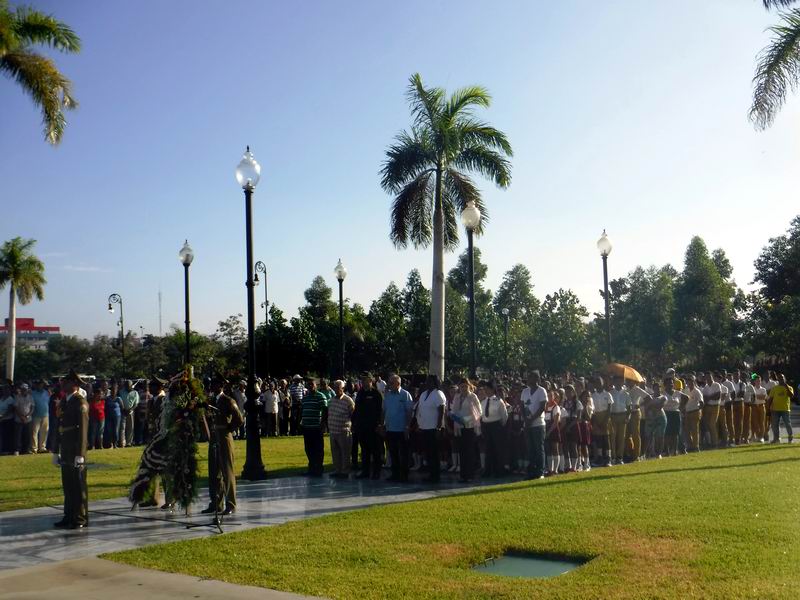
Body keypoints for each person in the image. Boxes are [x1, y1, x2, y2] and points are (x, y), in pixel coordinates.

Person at [52, 370, 89, 529]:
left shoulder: (80, 403)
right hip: (65, 448)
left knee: (78, 485)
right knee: (67, 484)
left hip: (75, 449)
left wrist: (80, 454)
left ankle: (80, 518)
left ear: (74, 384)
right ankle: (68, 516)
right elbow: (59, 427)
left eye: (65, 382)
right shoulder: (65, 402)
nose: (62, 385)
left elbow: (83, 431)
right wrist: (55, 450)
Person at [201, 376, 243, 516]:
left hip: (224, 437)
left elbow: (239, 419)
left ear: (221, 386)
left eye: (215, 384)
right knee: (214, 472)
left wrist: (228, 429)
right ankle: (216, 503)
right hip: (214, 437)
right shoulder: (211, 400)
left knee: (227, 471)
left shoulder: (228, 400)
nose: (212, 386)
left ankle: (230, 504)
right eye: (211, 384)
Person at [382, 374, 413, 482]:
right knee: (393, 453)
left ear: (398, 383)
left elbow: (409, 412)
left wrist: (407, 426)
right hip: (390, 429)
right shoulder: (388, 395)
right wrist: (382, 425)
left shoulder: (405, 395)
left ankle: (404, 475)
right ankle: (394, 474)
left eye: (391, 383)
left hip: (401, 429)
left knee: (403, 453)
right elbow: (384, 411)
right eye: (389, 382)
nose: (389, 385)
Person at [449, 377, 481, 482]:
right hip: (459, 426)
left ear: (469, 386)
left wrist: (466, 420)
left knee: (469, 451)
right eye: (461, 386)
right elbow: (453, 410)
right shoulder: (457, 397)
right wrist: (454, 417)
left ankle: (470, 475)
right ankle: (463, 475)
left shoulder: (473, 397)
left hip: (470, 426)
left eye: (465, 386)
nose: (463, 388)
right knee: (462, 451)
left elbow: (478, 412)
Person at [353, 373, 384, 480]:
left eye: (365, 379)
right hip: (362, 427)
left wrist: (380, 425)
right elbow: (357, 410)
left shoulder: (376, 393)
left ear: (371, 380)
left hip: (373, 427)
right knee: (364, 451)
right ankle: (365, 471)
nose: (363, 381)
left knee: (376, 451)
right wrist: (355, 424)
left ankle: (376, 472)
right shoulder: (360, 393)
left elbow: (381, 411)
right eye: (362, 379)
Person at [417, 374, 446, 483]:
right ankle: (430, 474)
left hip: (434, 428)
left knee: (434, 453)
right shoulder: (423, 394)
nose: (427, 383)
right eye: (427, 381)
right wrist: (420, 425)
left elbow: (442, 411)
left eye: (430, 381)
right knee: (428, 452)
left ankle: (436, 475)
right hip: (424, 427)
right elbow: (420, 410)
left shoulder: (438, 394)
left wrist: (439, 427)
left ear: (434, 383)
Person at [522, 371, 548, 479]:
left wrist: (532, 419)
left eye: (531, 377)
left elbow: (542, 407)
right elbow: (522, 406)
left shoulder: (542, 391)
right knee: (530, 448)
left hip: (538, 424)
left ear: (536, 379)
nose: (528, 379)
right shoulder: (525, 391)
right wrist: (525, 419)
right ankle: (531, 471)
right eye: (528, 377)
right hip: (527, 424)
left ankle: (540, 471)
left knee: (538, 448)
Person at [328, 379, 355, 478]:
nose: (335, 389)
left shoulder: (348, 400)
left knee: (345, 452)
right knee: (335, 452)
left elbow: (353, 415)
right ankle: (337, 470)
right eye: (334, 387)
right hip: (333, 430)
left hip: (343, 431)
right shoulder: (331, 400)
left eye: (337, 388)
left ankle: (345, 471)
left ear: (343, 388)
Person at [481, 381, 509, 478]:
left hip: (496, 426)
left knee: (498, 449)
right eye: (485, 389)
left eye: (487, 389)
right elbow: (482, 415)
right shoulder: (483, 401)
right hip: (486, 426)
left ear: (492, 389)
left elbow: (504, 416)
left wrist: (500, 426)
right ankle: (487, 470)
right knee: (488, 449)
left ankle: (499, 470)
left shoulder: (498, 401)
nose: (486, 391)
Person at [300, 378, 326, 477]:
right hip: (307, 427)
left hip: (316, 427)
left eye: (312, 384)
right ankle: (311, 468)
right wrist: (301, 423)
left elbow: (325, 410)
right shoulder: (305, 397)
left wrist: (323, 423)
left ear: (316, 385)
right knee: (308, 449)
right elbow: (302, 410)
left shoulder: (320, 396)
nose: (310, 386)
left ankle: (318, 469)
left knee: (318, 449)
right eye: (308, 384)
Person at [591, 377, 614, 467]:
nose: (598, 384)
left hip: (606, 418)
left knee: (606, 439)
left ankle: (608, 458)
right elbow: (592, 410)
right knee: (598, 439)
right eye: (596, 382)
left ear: (603, 383)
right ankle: (600, 458)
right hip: (596, 418)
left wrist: (605, 421)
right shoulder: (593, 396)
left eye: (599, 382)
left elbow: (609, 409)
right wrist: (596, 421)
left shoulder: (608, 394)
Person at [662, 377, 686, 456]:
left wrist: (681, 408)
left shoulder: (677, 393)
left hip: (676, 413)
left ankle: (675, 450)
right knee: (667, 433)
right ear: (665, 385)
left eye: (672, 383)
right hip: (666, 414)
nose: (671, 384)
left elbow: (686, 398)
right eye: (669, 383)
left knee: (675, 433)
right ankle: (667, 451)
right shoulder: (663, 393)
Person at [767, 373, 794, 443]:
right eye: (779, 378)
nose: (781, 379)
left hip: (785, 409)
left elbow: (791, 395)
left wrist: (786, 387)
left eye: (782, 378)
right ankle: (776, 439)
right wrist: (768, 409)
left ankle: (790, 436)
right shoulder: (774, 388)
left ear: (784, 378)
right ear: (777, 379)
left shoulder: (789, 387)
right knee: (775, 425)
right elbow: (770, 399)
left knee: (787, 423)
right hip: (775, 409)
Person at [609, 376, 630, 465]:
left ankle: (619, 457)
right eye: (617, 380)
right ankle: (613, 457)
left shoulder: (626, 394)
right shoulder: (610, 392)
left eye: (620, 381)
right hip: (613, 416)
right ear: (614, 382)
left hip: (622, 416)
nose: (618, 382)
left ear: (622, 382)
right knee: (612, 437)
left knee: (621, 438)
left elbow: (629, 407)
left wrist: (627, 417)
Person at [561, 384, 582, 472]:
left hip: (573, 425)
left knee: (573, 446)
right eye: (566, 391)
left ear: (573, 392)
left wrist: (569, 426)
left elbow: (578, 418)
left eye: (570, 391)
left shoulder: (577, 402)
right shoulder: (564, 402)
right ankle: (567, 465)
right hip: (565, 423)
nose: (568, 393)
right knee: (565, 446)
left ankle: (574, 466)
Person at [643, 382, 666, 458]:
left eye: (659, 388)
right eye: (655, 388)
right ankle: (646, 454)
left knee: (659, 436)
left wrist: (650, 405)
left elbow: (659, 406)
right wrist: (650, 407)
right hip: (650, 418)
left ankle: (658, 453)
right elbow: (645, 407)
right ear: (653, 389)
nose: (657, 390)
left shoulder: (663, 397)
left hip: (660, 418)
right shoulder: (649, 397)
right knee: (647, 436)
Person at [701, 373, 722, 449]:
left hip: (715, 406)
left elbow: (718, 396)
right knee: (708, 425)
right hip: (708, 407)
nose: (708, 379)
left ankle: (715, 443)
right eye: (707, 377)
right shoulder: (705, 387)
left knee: (712, 424)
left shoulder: (717, 385)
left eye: (709, 377)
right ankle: (711, 442)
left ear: (712, 377)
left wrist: (709, 397)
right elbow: (704, 398)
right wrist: (712, 396)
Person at [544, 388, 562, 475]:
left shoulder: (556, 407)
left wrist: (549, 432)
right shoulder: (545, 407)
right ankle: (550, 470)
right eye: (548, 396)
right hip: (546, 429)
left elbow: (556, 422)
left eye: (551, 396)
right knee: (548, 450)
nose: (549, 397)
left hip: (553, 430)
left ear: (554, 397)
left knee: (555, 449)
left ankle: (555, 470)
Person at [684, 375, 704, 452]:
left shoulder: (697, 391)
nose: (690, 384)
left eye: (691, 382)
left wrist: (698, 409)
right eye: (688, 382)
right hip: (687, 412)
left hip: (695, 412)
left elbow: (701, 402)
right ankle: (690, 446)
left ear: (694, 382)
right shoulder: (686, 390)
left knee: (695, 430)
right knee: (687, 430)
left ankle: (696, 446)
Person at [13, 383, 34, 455]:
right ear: (21, 390)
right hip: (19, 419)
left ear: (27, 390)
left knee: (27, 435)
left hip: (28, 419)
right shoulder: (17, 397)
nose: (24, 391)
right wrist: (22, 417)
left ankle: (26, 450)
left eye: (25, 389)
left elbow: (32, 407)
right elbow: (16, 408)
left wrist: (27, 416)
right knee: (18, 436)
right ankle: (17, 450)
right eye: (22, 389)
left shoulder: (30, 397)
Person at [31, 380, 50, 453]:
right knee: (34, 432)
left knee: (44, 432)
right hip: (36, 415)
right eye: (38, 384)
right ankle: (34, 448)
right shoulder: (32, 393)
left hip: (45, 415)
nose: (39, 386)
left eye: (41, 384)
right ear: (36, 385)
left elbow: (47, 402)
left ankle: (42, 447)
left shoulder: (46, 393)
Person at [119, 380, 139, 448]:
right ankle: (122, 443)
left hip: (131, 412)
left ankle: (129, 443)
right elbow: (119, 401)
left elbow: (136, 403)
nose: (127, 386)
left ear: (131, 385)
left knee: (130, 428)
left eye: (129, 385)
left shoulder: (135, 392)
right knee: (122, 428)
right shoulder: (121, 391)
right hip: (123, 411)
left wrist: (131, 409)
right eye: (126, 385)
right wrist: (123, 409)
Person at [752, 375, 768, 443]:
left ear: (760, 381)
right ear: (754, 381)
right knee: (755, 422)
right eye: (757, 381)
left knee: (762, 422)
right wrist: (758, 396)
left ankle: (761, 437)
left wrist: (756, 396)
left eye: (759, 381)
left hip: (762, 406)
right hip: (754, 406)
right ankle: (757, 436)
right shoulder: (752, 389)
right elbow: (752, 399)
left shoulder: (763, 389)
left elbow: (763, 397)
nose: (758, 382)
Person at [88, 386, 105, 450]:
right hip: (93, 419)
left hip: (102, 419)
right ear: (95, 394)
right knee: (93, 433)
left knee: (100, 433)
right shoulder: (91, 402)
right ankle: (92, 446)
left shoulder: (103, 401)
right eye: (99, 394)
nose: (100, 395)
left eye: (101, 394)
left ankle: (100, 446)